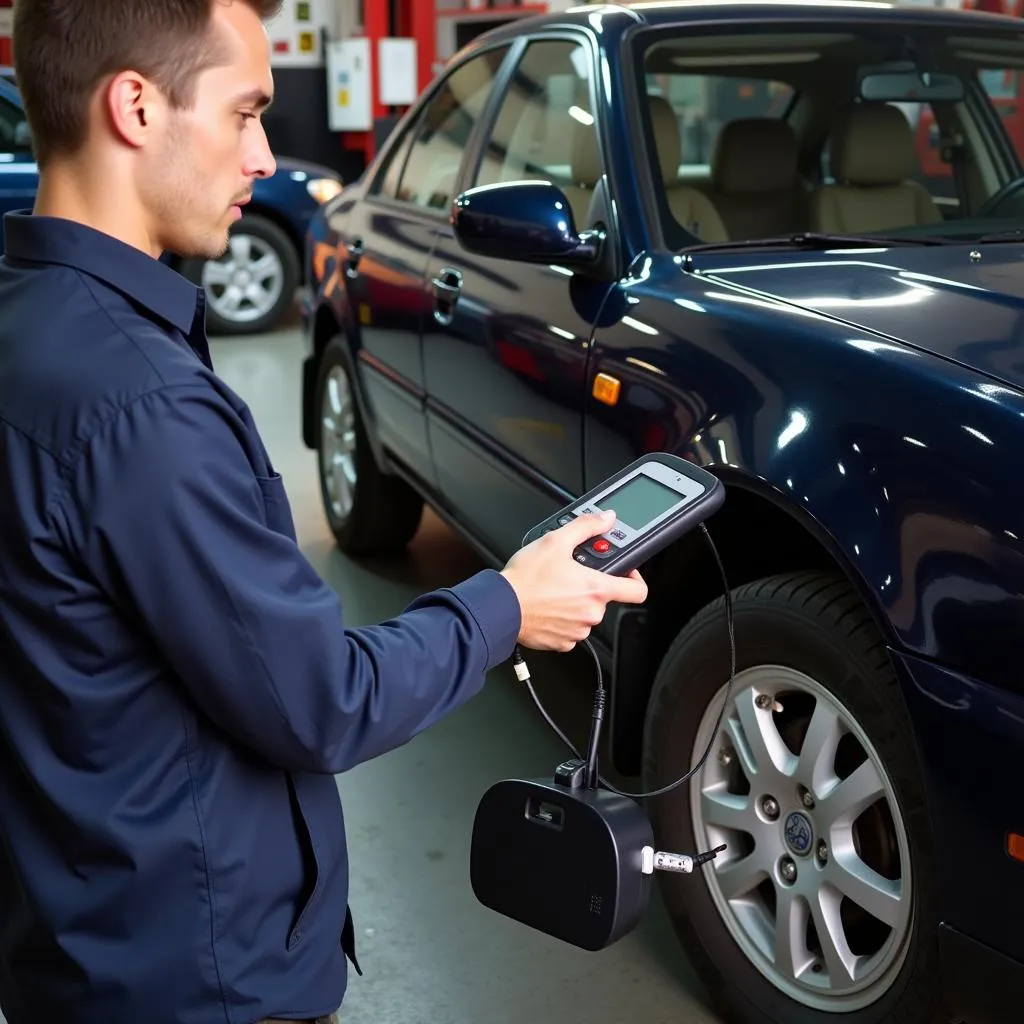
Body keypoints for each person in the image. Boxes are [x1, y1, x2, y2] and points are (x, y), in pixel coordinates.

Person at [0, 2, 649, 1023]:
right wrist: (508, 605)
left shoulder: (28, 322)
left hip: (76, 943)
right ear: (133, 105)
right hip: (200, 981)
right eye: (244, 112)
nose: (264, 155)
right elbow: (319, 701)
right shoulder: (141, 401)